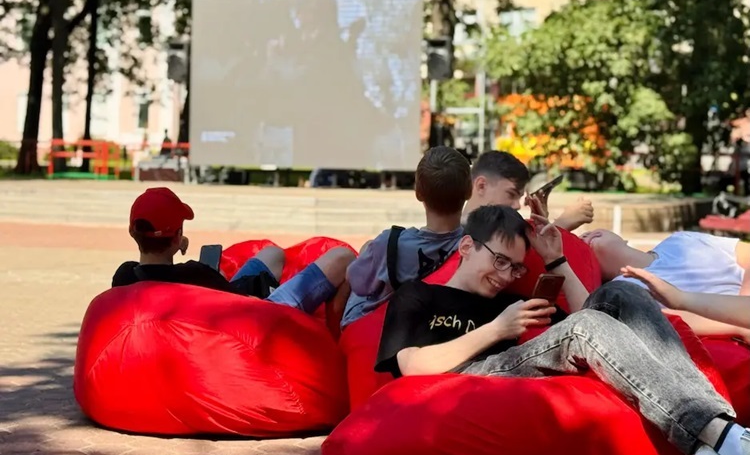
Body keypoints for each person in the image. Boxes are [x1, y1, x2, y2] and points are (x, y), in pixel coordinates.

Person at [375, 205, 749, 455]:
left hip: (513, 362)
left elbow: (596, 312)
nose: (506, 275)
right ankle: (719, 435)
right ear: (467, 246)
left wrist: (554, 259)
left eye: (516, 268)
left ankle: (720, 431)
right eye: (500, 260)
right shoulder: (418, 295)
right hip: (466, 375)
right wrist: (497, 328)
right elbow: (411, 365)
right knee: (583, 328)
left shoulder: (511, 301)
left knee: (621, 293)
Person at [112, 187, 355, 315]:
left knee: (272, 254)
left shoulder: (124, 277)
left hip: (222, 305)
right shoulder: (195, 276)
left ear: (133, 232)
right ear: (177, 237)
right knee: (342, 257)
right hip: (261, 318)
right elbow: (244, 303)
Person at [340, 146, 472, 328]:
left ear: (418, 193)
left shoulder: (390, 243)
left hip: (376, 327)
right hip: (434, 325)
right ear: (469, 191)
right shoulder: (472, 246)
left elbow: (357, 283)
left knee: (361, 253)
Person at [581, 228, 750, 341]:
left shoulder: (681, 240)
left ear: (623, 238)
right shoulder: (621, 290)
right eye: (580, 244)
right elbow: (673, 321)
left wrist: (743, 308)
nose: (584, 236)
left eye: (588, 231)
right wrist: (739, 325)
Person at [461, 150, 594, 231]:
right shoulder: (462, 235)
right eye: (511, 194)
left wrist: (541, 223)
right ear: (481, 186)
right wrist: (562, 224)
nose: (517, 206)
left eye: (519, 197)